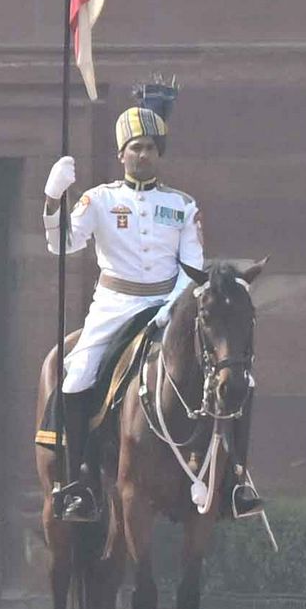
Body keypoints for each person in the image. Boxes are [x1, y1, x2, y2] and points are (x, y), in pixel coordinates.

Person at [39, 82, 254, 522]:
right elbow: (62, 245)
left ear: (160, 154)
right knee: (76, 376)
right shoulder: (99, 199)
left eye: (151, 148)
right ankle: (80, 480)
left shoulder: (182, 205)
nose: (143, 155)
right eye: (135, 148)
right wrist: (52, 197)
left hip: (168, 304)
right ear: (121, 154)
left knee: (238, 377)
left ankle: (236, 479)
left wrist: (172, 306)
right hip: (114, 305)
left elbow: (193, 267)